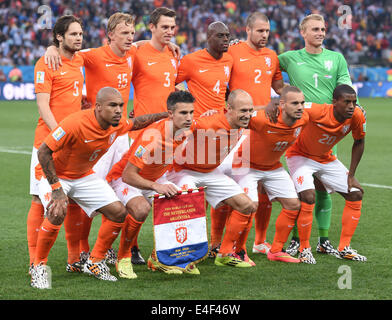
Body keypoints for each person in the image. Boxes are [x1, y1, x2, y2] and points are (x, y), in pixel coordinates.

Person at [30, 87, 169, 289]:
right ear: (98, 107)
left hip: (84, 176)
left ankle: (95, 261)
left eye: (121, 105)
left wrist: (163, 115)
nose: (118, 110)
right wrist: (57, 188)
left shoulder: (117, 124)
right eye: (113, 105)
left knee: (118, 212)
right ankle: (38, 267)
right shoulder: (74, 123)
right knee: (57, 210)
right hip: (56, 175)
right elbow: (43, 152)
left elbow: (138, 122)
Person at [278, 13, 358, 257]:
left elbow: (347, 87)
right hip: (300, 131)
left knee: (324, 187)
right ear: (303, 32)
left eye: (323, 29)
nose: (320, 33)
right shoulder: (290, 58)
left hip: (328, 131)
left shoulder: (336, 59)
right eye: (315, 29)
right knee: (303, 190)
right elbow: (263, 65)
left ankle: (323, 241)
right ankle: (295, 241)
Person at [209, 12, 286, 258]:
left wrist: (293, 99)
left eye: (267, 31)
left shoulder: (272, 56)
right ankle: (216, 243)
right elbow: (218, 79)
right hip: (235, 129)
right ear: (248, 30)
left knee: (260, 187)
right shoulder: (231, 51)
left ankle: (257, 242)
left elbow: (278, 87)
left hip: (261, 130)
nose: (264, 35)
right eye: (260, 31)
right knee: (225, 187)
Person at [106, 90, 198, 276]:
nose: (189, 118)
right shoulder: (153, 136)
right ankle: (123, 258)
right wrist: (157, 186)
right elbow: (128, 175)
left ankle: (160, 258)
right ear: (170, 114)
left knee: (182, 202)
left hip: (153, 178)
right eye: (183, 113)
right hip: (124, 178)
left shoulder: (188, 127)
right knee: (140, 208)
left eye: (191, 112)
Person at [167, 89, 257, 268]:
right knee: (189, 206)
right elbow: (181, 127)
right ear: (229, 108)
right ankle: (175, 256)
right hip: (184, 170)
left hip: (210, 172)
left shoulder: (239, 123)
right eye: (243, 111)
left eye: (250, 111)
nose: (247, 115)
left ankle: (224, 254)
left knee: (248, 206)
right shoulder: (208, 123)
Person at [222, 86, 311, 264]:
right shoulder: (263, 119)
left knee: (293, 204)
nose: (300, 107)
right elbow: (236, 117)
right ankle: (230, 251)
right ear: (282, 105)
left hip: (273, 167)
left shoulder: (304, 118)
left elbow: (326, 108)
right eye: (295, 103)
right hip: (247, 165)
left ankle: (276, 250)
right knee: (250, 205)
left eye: (302, 103)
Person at [27, 15, 85, 275]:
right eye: (73, 34)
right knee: (41, 201)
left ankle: (74, 260)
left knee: (72, 202)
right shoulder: (46, 62)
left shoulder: (80, 59)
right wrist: (59, 134)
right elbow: (43, 104)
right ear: (59, 37)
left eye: (80, 33)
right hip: (48, 143)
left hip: (72, 144)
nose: (79, 38)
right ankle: (33, 262)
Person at [285, 84, 367, 262]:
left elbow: (359, 142)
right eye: (347, 102)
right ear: (334, 102)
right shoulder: (316, 110)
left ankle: (345, 248)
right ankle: (304, 248)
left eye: (354, 102)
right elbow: (292, 109)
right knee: (308, 196)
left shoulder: (357, 115)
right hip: (300, 156)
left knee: (355, 194)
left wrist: (351, 175)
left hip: (325, 158)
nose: (352, 106)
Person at [175, 21, 232, 117]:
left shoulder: (229, 59)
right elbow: (170, 83)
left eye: (227, 36)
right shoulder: (191, 60)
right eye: (220, 36)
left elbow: (220, 87)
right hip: (199, 121)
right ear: (208, 38)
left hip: (221, 121)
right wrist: (184, 96)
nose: (225, 39)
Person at [132, 7, 178, 117]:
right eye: (165, 27)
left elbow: (172, 83)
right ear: (152, 27)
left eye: (172, 28)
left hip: (168, 126)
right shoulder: (137, 54)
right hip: (145, 128)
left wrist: (182, 92)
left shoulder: (174, 53)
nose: (170, 32)